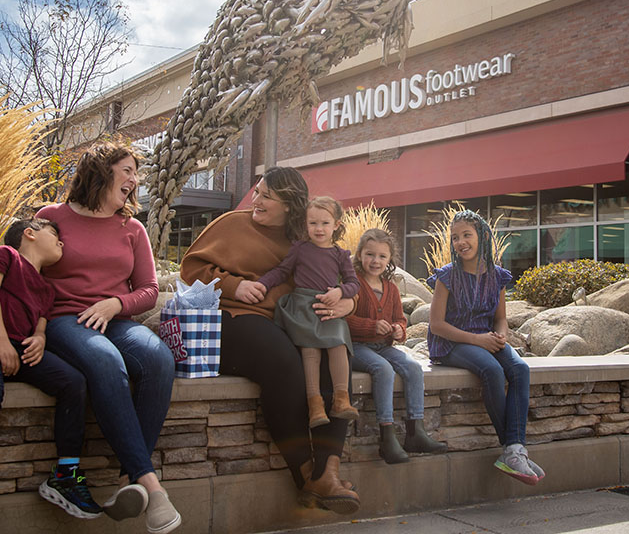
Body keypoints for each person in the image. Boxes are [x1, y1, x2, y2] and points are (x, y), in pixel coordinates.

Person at [180, 166, 361, 514]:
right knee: (283, 362)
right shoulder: (232, 223)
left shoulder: (306, 238)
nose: (256, 200)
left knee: (337, 360)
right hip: (231, 317)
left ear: (291, 205)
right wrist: (235, 285)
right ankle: (304, 473)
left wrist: (347, 302)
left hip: (289, 321)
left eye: (266, 196)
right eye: (258, 191)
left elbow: (341, 281)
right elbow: (192, 269)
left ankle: (328, 472)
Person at [38, 142, 180, 534]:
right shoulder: (52, 217)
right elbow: (27, 272)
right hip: (66, 319)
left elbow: (149, 290)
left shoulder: (131, 228)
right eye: (128, 170)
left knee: (158, 359)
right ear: (101, 172)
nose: (135, 180)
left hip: (114, 318)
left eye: (136, 173)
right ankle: (149, 484)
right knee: (106, 362)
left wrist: (115, 305)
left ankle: (126, 482)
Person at [0, 218, 100, 534]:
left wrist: (41, 340)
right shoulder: (5, 255)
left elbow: (41, 326)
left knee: (73, 381)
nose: (61, 242)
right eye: (55, 235)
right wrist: (1, 342)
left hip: (19, 352)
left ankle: (65, 475)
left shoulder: (47, 288)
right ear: (29, 234)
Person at [427, 210, 545, 485]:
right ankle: (513, 450)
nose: (460, 242)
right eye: (455, 237)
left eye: (466, 235)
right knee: (492, 370)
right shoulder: (447, 277)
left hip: (486, 338)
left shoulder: (497, 277)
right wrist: (479, 340)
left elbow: (500, 319)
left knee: (519, 369)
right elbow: (436, 325)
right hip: (451, 343)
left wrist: (501, 337)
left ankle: (514, 451)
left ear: (481, 237)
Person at [255, 196, 360, 428]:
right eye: (313, 223)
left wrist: (341, 292)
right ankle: (315, 404)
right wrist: (262, 284)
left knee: (338, 344)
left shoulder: (340, 255)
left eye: (324, 223)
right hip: (303, 306)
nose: (319, 229)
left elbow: (354, 283)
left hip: (328, 307)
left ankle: (341, 400)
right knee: (310, 351)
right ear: (306, 224)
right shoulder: (300, 249)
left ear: (336, 225)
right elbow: (282, 271)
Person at [347, 228, 447, 464]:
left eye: (382, 256)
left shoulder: (390, 287)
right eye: (370, 254)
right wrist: (371, 326)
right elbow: (343, 320)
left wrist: (400, 330)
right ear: (360, 254)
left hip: (383, 346)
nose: (375, 261)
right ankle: (387, 436)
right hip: (356, 346)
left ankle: (415, 431)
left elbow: (399, 318)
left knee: (412, 367)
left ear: (390, 259)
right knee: (383, 369)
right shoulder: (353, 284)